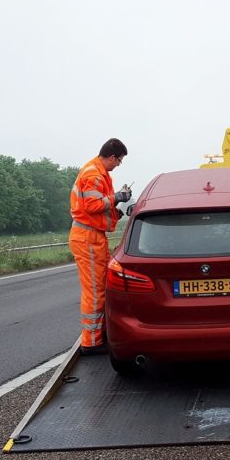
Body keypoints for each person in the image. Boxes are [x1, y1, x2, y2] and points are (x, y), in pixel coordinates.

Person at [68, 138, 131, 355]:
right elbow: (93, 205)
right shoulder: (93, 174)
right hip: (87, 238)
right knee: (95, 292)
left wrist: (116, 210)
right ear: (112, 157)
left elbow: (98, 208)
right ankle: (92, 343)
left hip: (92, 236)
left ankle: (98, 336)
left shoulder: (98, 173)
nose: (118, 165)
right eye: (119, 162)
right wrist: (117, 198)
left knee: (99, 289)